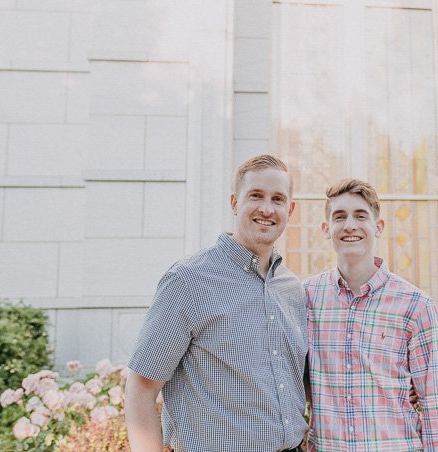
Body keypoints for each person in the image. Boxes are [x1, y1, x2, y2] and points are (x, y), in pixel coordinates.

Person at [124, 155, 308, 452]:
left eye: (278, 199)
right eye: (255, 196)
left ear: (291, 209)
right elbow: (141, 389)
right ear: (235, 202)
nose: (266, 208)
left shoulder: (292, 290)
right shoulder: (188, 282)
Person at [305, 179, 438, 451]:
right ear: (326, 229)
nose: (350, 225)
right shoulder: (306, 299)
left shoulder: (415, 305)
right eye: (340, 217)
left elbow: (435, 403)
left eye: (360, 216)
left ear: (378, 227)